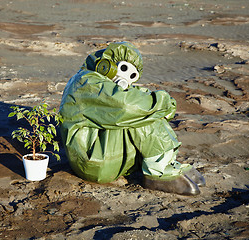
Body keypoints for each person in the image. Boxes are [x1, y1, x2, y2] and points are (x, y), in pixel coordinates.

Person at [59, 42, 205, 195]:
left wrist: (160, 104)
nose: (126, 77)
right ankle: (158, 171)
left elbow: (136, 96)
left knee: (146, 107)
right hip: (94, 160)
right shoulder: (87, 82)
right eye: (123, 68)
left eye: (132, 75)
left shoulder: (99, 82)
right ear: (106, 64)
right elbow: (126, 106)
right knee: (140, 114)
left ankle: (166, 162)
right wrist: (165, 103)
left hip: (106, 156)